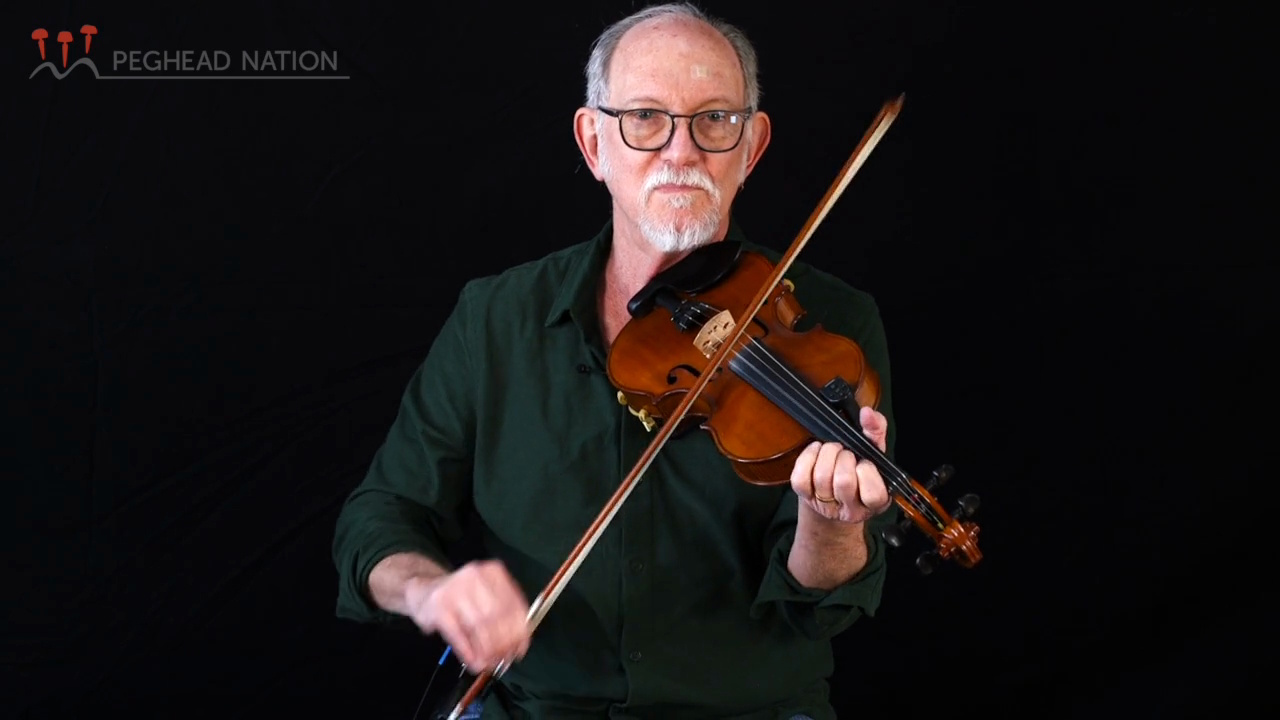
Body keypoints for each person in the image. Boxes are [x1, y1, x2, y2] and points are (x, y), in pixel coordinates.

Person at [331, 3, 902, 718]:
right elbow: (380, 520)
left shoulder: (831, 329)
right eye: (644, 118)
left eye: (714, 121)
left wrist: (832, 521)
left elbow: (825, 598)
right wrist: (431, 590)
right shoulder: (496, 319)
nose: (681, 151)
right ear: (594, 143)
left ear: (752, 147)